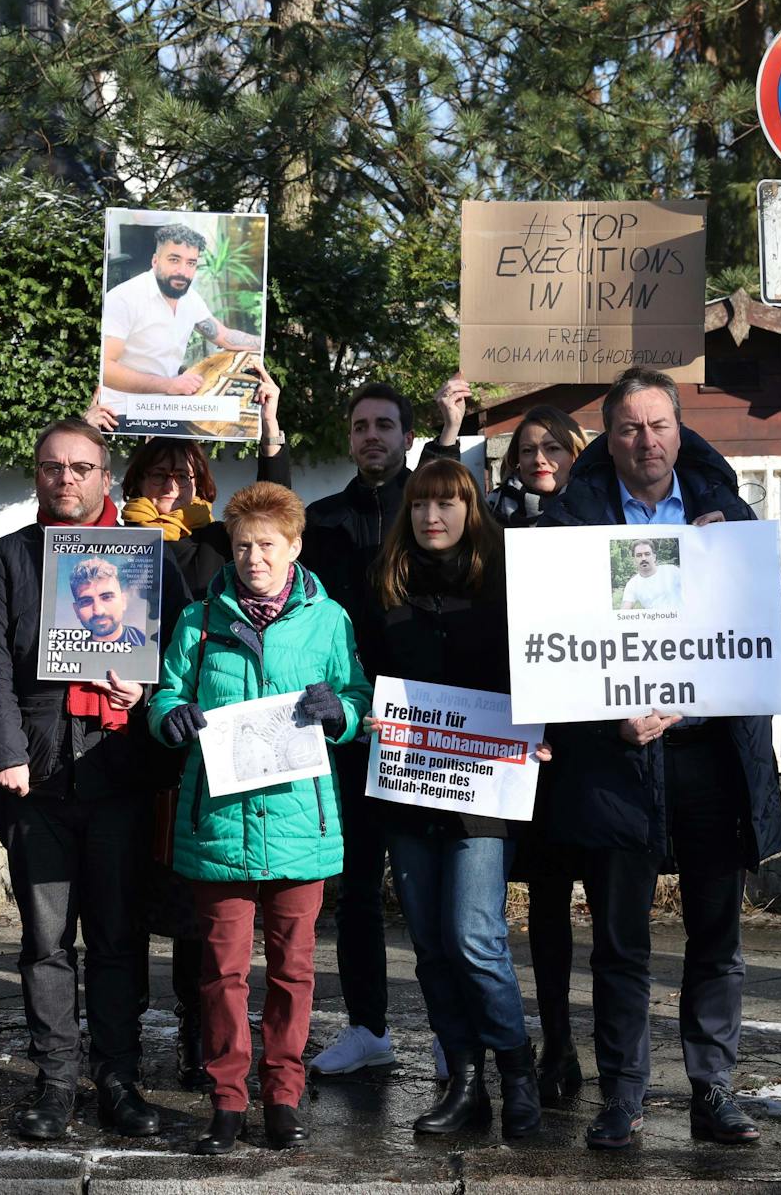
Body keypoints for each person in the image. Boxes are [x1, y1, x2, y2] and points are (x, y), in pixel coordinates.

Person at [538, 368, 781, 1150]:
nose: (647, 440)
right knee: (620, 943)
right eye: (629, 428)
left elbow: (766, 628)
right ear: (606, 440)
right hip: (616, 766)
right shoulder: (566, 527)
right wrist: (606, 723)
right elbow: (548, 656)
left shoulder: (730, 514)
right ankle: (624, 1098)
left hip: (712, 755)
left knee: (718, 937)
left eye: (659, 425)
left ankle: (714, 1089)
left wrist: (732, 568)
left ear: (681, 430)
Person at [0, 417, 184, 1142]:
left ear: (104, 475)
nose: (66, 478)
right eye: (52, 466)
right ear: (37, 473)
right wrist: (5, 749)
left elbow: (180, 658)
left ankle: (119, 1079)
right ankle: (56, 1078)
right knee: (45, 940)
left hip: (121, 773)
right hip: (37, 778)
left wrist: (148, 698)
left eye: (81, 467)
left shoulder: (151, 558)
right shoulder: (6, 559)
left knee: (120, 939)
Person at [150, 481, 373, 1154]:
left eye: (267, 544)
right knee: (219, 972)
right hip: (218, 822)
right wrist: (172, 716)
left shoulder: (328, 619)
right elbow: (164, 694)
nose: (253, 557)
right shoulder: (199, 621)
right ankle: (226, 1097)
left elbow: (357, 692)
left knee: (293, 970)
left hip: (300, 822)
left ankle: (282, 1093)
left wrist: (343, 713)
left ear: (295, 545)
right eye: (242, 544)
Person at [91, 367, 290, 1094]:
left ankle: (193, 1034)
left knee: (190, 910)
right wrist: (95, 425)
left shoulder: (216, 547)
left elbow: (278, 516)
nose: (170, 484)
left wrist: (269, 429)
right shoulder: (108, 536)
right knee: (123, 904)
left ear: (202, 479)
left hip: (192, 753)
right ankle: (122, 1033)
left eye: (183, 471)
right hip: (120, 746)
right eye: (157, 471)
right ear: (137, 474)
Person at [358, 458, 553, 1139]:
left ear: (472, 511)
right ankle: (465, 1079)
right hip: (409, 784)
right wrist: (369, 715)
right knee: (432, 944)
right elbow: (363, 679)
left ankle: (515, 1065)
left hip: (486, 788)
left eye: (445, 503)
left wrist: (542, 730)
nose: (430, 516)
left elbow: (545, 669)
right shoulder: (386, 589)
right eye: (419, 505)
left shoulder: (506, 587)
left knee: (474, 936)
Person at [300, 377, 453, 1077]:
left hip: (425, 726)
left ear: (406, 435)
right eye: (360, 426)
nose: (371, 437)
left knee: (433, 894)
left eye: (384, 425)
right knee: (358, 888)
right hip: (349, 728)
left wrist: (451, 437)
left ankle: (455, 1035)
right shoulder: (323, 519)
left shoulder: (430, 514)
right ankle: (368, 1027)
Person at [490, 405, 590, 1106]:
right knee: (536, 899)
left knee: (602, 904)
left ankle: (590, 1042)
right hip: (510, 729)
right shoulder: (491, 525)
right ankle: (549, 1036)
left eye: (553, 445)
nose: (539, 457)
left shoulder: (600, 518)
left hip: (584, 734)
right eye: (527, 448)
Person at [99, 223, 264, 411]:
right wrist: (169, 385)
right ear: (155, 260)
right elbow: (105, 369)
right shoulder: (124, 298)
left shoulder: (189, 297)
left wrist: (265, 344)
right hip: (123, 409)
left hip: (169, 402)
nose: (183, 271)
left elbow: (224, 336)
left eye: (190, 263)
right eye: (174, 260)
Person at [486, 405, 586, 529]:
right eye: (527, 450)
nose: (539, 460)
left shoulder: (602, 506)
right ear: (517, 459)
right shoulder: (488, 511)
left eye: (553, 448)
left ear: (576, 455)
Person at [68, 558, 147, 648]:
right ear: (76, 610)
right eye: (86, 601)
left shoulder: (147, 641)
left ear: (123, 601)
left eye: (107, 597)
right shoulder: (67, 647)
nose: (98, 611)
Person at [618, 538, 682, 610]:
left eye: (647, 554)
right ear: (634, 560)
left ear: (654, 557)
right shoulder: (632, 584)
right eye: (639, 555)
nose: (643, 558)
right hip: (654, 620)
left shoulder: (672, 571)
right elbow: (624, 610)